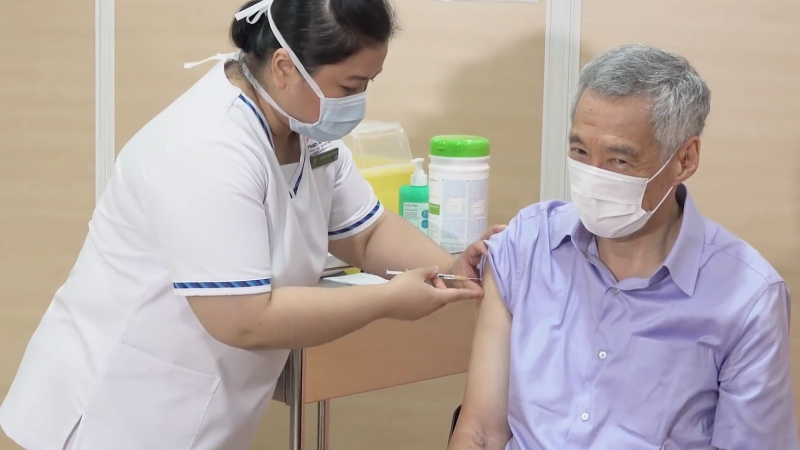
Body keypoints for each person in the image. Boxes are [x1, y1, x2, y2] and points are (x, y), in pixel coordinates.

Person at [0, 1, 503, 449]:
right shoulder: (209, 146)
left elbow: (365, 233)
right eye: (351, 86)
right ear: (286, 67)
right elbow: (244, 317)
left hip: (198, 405)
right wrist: (389, 301)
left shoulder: (305, 129)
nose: (358, 101)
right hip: (113, 412)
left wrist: (454, 268)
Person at [448, 44, 798, 450]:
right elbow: (480, 432)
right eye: (580, 151)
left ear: (684, 160)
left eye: (618, 161)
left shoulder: (748, 298)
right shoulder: (527, 244)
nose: (592, 176)